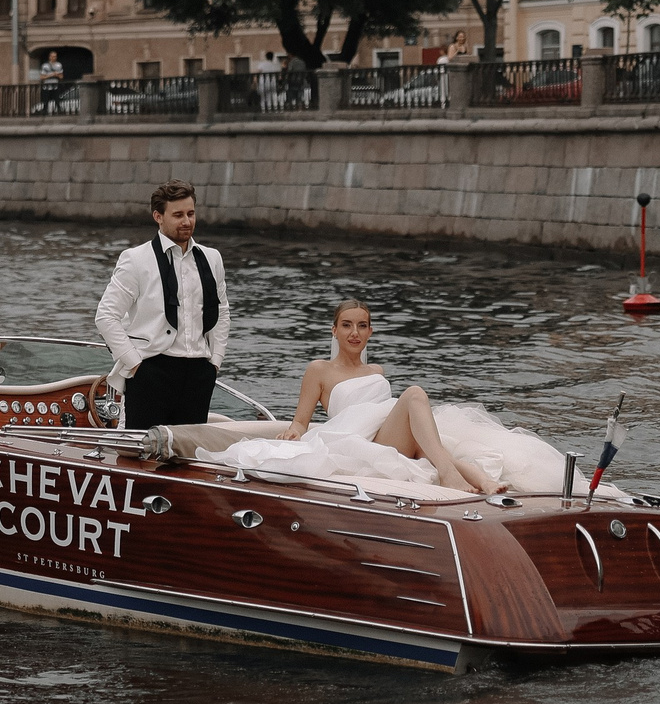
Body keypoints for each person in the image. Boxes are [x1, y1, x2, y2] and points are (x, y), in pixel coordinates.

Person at [268, 300, 500, 494]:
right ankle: (449, 476)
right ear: (334, 330)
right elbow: (301, 421)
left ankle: (484, 481)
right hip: (361, 444)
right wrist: (294, 432)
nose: (355, 333)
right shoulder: (319, 370)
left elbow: (380, 412)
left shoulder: (376, 371)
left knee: (430, 448)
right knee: (414, 394)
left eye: (362, 326)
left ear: (370, 332)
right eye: (346, 325)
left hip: (388, 436)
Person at [95, 180, 229, 430]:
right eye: (178, 215)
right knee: (143, 449)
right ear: (158, 216)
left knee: (187, 451)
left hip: (198, 374)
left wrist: (215, 363)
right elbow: (106, 316)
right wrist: (136, 365)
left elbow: (221, 312)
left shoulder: (212, 258)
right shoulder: (135, 260)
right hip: (152, 370)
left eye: (191, 213)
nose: (187, 221)